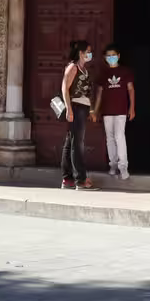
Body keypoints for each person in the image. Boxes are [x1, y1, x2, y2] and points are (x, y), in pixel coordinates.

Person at [96, 41, 136, 180]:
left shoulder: (125, 72)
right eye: (108, 56)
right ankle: (112, 165)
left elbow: (131, 90)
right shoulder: (103, 73)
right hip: (107, 111)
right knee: (110, 139)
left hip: (121, 110)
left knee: (120, 137)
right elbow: (99, 93)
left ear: (118, 56)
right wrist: (95, 110)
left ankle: (123, 167)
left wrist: (132, 107)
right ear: (105, 58)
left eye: (113, 55)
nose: (111, 58)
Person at [60, 38, 94, 189]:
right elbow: (64, 88)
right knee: (77, 144)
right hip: (76, 107)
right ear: (81, 53)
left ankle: (67, 179)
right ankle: (80, 179)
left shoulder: (84, 69)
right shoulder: (73, 67)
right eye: (88, 52)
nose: (90, 54)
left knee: (70, 142)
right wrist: (69, 109)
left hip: (83, 107)